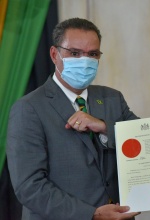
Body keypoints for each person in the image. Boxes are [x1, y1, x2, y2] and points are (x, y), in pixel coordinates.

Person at [6, 18, 140, 220]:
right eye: (75, 53)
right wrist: (92, 214)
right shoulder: (29, 108)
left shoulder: (112, 98)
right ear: (54, 54)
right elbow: (29, 187)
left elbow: (146, 138)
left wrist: (104, 127)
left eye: (93, 54)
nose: (84, 61)